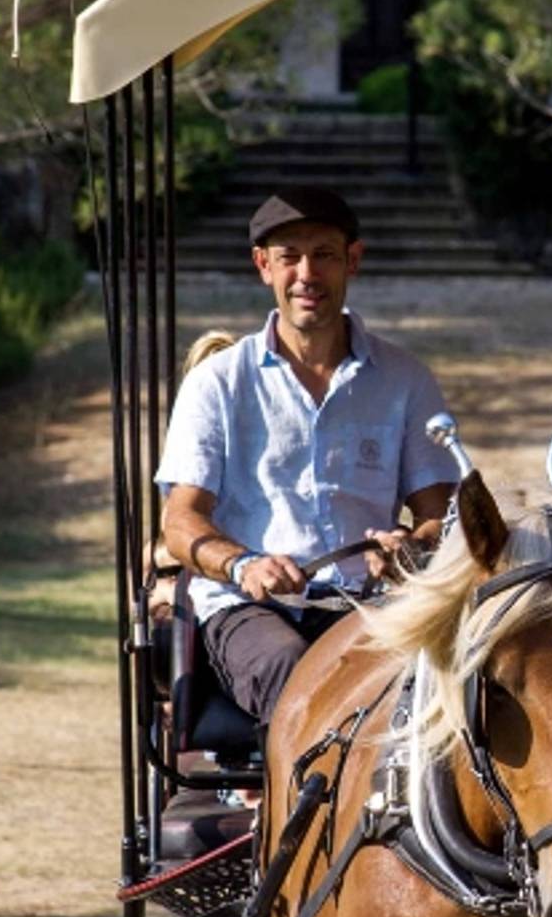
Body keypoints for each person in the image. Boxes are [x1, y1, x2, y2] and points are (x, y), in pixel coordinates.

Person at [155, 187, 457, 723]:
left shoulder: (406, 380)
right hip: (247, 610)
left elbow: (442, 515)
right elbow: (181, 521)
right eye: (289, 257)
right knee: (292, 669)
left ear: (353, 261)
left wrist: (409, 549)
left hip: (367, 605)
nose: (306, 274)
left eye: (324, 255)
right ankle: (310, 806)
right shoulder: (217, 384)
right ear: (262, 266)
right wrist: (243, 564)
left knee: (430, 678)